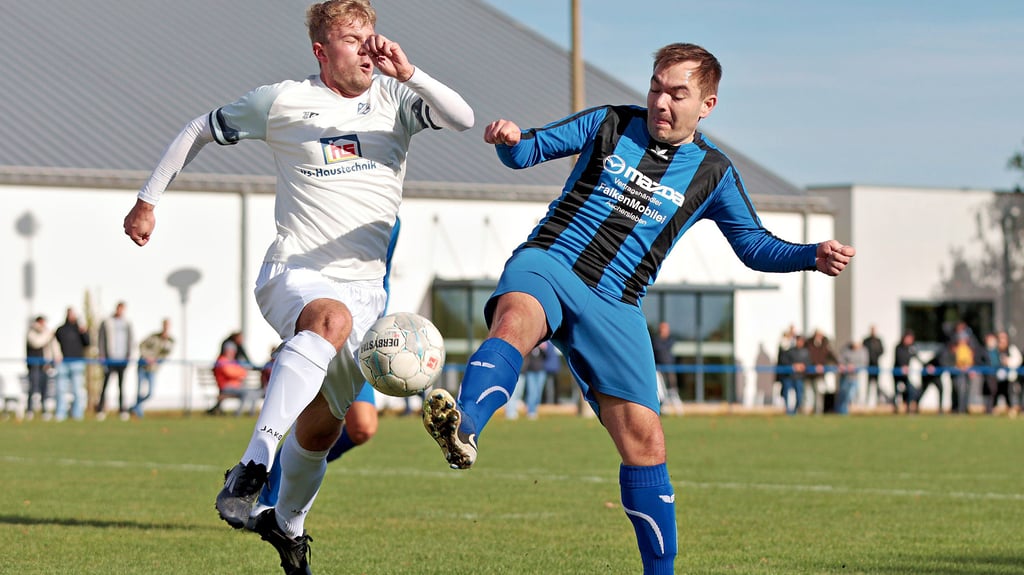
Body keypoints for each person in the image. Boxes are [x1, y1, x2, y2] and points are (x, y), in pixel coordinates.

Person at [420, 42, 854, 574]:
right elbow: (528, 150)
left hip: (618, 303)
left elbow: (754, 245)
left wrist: (811, 254)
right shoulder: (608, 123)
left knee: (646, 442)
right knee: (515, 322)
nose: (661, 103)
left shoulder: (713, 172)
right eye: (655, 88)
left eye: (677, 93)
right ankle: (465, 427)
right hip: (551, 262)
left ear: (707, 105)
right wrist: (508, 141)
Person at [121, 1, 473, 572]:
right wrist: (147, 200)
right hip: (296, 272)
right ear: (321, 51)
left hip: (367, 296)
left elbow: (462, 117)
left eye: (372, 36)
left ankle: (288, 526)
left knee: (324, 425)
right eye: (353, 39)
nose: (368, 48)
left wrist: (410, 74)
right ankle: (253, 464)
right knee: (327, 318)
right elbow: (199, 128)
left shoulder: (396, 101)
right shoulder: (283, 101)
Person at [96, 301, 134, 421]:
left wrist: (129, 354)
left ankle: (122, 410)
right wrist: (102, 354)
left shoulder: (127, 323)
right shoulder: (107, 322)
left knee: (121, 385)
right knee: (105, 384)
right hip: (109, 358)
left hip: (122, 359)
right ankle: (101, 409)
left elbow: (130, 340)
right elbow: (101, 339)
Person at [132, 318, 174, 418]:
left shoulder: (170, 341)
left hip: (153, 369)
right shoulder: (153, 337)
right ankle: (138, 413)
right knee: (139, 391)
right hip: (143, 366)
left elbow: (166, 355)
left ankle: (134, 407)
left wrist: (156, 360)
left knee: (150, 393)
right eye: (165, 325)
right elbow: (141, 345)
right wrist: (147, 357)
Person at [54, 307, 91, 421]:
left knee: (77, 390)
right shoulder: (61, 330)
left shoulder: (80, 330)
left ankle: (77, 414)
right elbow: (54, 343)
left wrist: (84, 332)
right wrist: (56, 355)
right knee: (61, 390)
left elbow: (88, 343)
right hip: (63, 363)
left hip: (77, 363)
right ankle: (60, 414)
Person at [26, 315, 60, 420]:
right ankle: (30, 410)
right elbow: (37, 342)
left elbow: (54, 346)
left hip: (44, 365)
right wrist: (48, 335)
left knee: (44, 389)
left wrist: (57, 356)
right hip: (34, 365)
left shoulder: (47, 333)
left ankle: (44, 411)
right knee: (33, 389)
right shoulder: (31, 332)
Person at [806, 328, 838, 414]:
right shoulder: (809, 345)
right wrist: (815, 365)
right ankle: (806, 410)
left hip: (819, 375)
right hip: (809, 373)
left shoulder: (824, 345)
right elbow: (809, 357)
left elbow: (832, 355)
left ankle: (818, 411)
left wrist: (839, 364)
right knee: (807, 394)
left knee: (818, 393)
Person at [779, 334, 809, 415]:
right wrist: (793, 366)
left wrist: (803, 366)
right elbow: (784, 361)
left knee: (799, 396)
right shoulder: (790, 351)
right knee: (787, 394)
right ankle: (788, 411)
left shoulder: (805, 352)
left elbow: (808, 363)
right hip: (789, 376)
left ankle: (795, 411)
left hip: (799, 377)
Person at [836, 340, 867, 415]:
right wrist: (845, 366)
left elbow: (864, 363)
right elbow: (840, 360)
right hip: (845, 376)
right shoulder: (845, 350)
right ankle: (841, 411)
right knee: (843, 394)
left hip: (854, 377)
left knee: (850, 395)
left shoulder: (863, 352)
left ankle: (846, 410)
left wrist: (855, 367)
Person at [892, 330, 919, 414]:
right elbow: (899, 358)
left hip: (906, 375)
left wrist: (927, 365)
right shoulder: (898, 347)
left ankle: (908, 408)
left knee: (911, 391)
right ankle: (896, 408)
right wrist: (902, 367)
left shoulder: (911, 348)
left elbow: (918, 358)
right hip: (898, 374)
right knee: (898, 391)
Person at [993, 331, 1020, 414]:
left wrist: (1008, 361)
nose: (1002, 340)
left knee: (1011, 393)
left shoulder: (1011, 348)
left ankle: (1013, 408)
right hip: (997, 377)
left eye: (1004, 338)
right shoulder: (995, 350)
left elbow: (1018, 360)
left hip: (1010, 377)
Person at [652, 321, 678, 401]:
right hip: (659, 369)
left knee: (672, 387)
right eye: (664, 328)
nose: (666, 330)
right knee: (661, 389)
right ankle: (663, 403)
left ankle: (673, 401)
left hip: (669, 367)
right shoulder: (656, 341)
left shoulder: (670, 340)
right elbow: (659, 350)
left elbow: (670, 345)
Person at [861, 325, 885, 407]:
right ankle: (866, 402)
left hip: (876, 364)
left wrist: (875, 356)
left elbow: (882, 350)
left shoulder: (878, 340)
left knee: (878, 384)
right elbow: (863, 351)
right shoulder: (866, 340)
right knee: (868, 384)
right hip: (868, 365)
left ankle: (879, 401)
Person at [522, 343, 547, 419]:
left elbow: (547, 357)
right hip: (530, 372)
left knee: (538, 393)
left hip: (541, 372)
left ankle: (535, 410)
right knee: (532, 392)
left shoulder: (542, 346)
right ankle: (531, 411)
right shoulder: (530, 346)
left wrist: (544, 349)